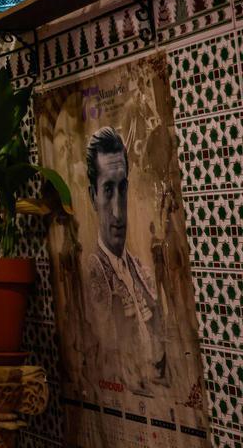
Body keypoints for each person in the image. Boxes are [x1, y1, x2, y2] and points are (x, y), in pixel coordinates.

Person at [81, 126, 167, 395]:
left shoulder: (140, 270)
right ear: (93, 196)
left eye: (122, 188)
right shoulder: (92, 274)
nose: (118, 212)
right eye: (108, 190)